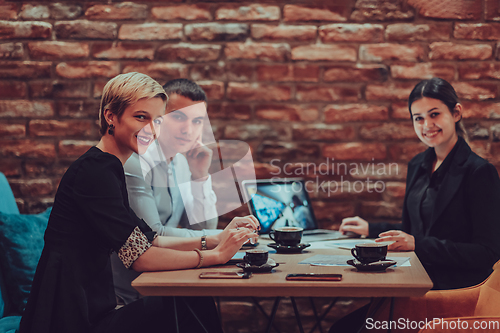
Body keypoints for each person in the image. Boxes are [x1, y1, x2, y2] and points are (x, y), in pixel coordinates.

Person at [19, 72, 259, 333]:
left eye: (157, 120)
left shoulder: (108, 167)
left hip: (91, 311)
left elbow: (149, 239)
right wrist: (213, 256)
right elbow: (140, 257)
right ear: (110, 116)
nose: (152, 130)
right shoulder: (94, 172)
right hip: (70, 320)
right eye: (140, 117)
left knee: (191, 301)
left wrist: (218, 238)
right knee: (188, 304)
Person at [330, 77, 500, 332]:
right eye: (418, 118)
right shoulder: (418, 165)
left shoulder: (479, 172)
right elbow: (416, 230)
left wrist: (417, 244)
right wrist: (371, 229)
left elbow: (487, 252)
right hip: (413, 281)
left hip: (453, 291)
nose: (426, 125)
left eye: (434, 114)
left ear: (456, 113)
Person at [111, 78, 223, 304]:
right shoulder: (135, 161)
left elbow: (202, 227)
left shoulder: (181, 163)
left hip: (164, 281)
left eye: (197, 120)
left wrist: (200, 176)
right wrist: (220, 238)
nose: (188, 129)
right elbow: (153, 235)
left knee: (203, 302)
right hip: (127, 296)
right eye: (179, 117)